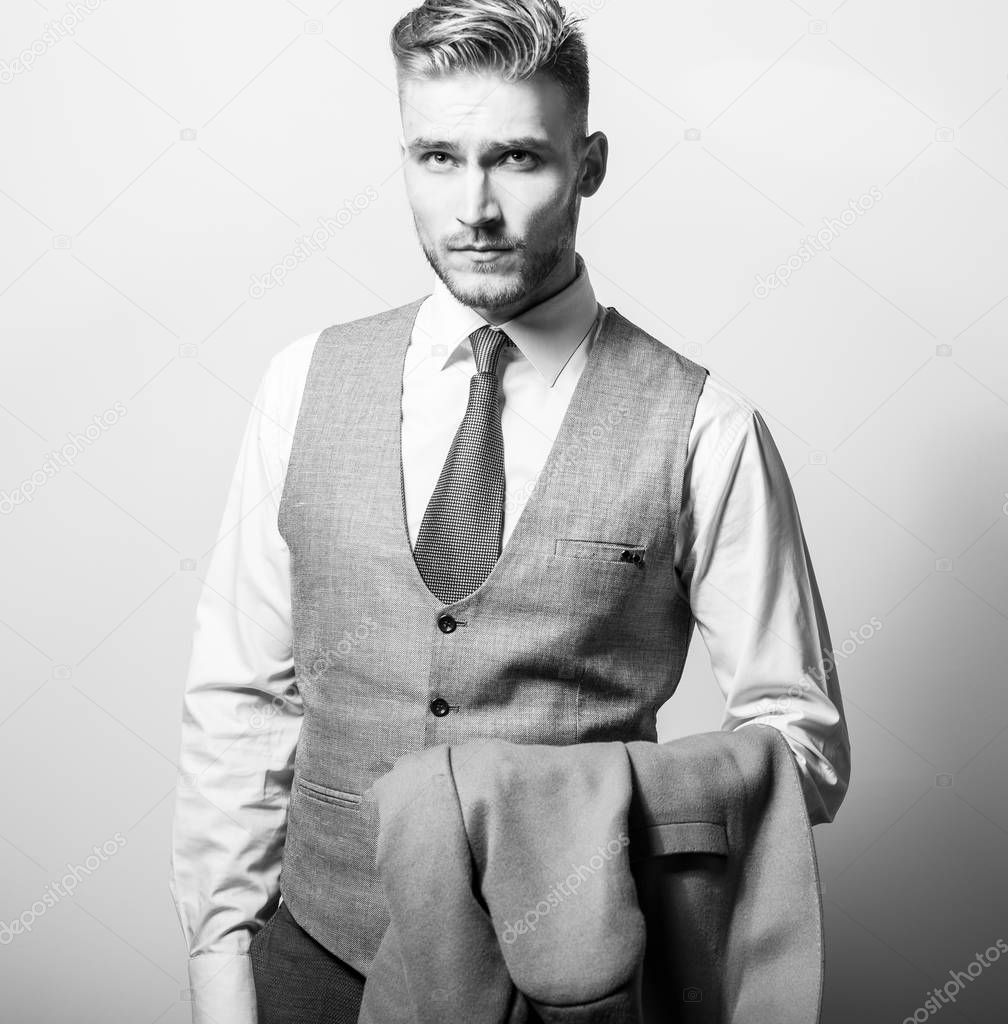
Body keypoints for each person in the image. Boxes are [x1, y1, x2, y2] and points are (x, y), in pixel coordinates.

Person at [169, 2, 851, 1022]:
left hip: (567, 987)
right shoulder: (302, 383)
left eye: (519, 159)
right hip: (312, 960)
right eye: (438, 157)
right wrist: (223, 965)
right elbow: (240, 695)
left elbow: (801, 742)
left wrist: (593, 820)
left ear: (589, 164)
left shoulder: (705, 425)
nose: (474, 208)